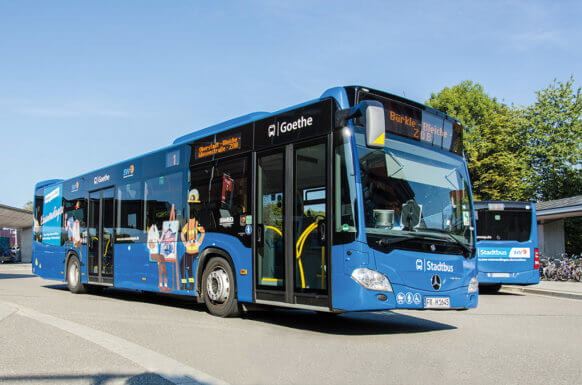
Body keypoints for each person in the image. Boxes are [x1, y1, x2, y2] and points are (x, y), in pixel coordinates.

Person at [180, 189, 205, 290]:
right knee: (182, 264)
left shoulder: (196, 223)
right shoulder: (187, 224)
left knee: (189, 265)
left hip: (193, 250)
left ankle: (191, 285)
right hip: (188, 250)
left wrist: (199, 243)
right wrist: (185, 243)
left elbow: (203, 232)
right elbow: (182, 233)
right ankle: (185, 284)